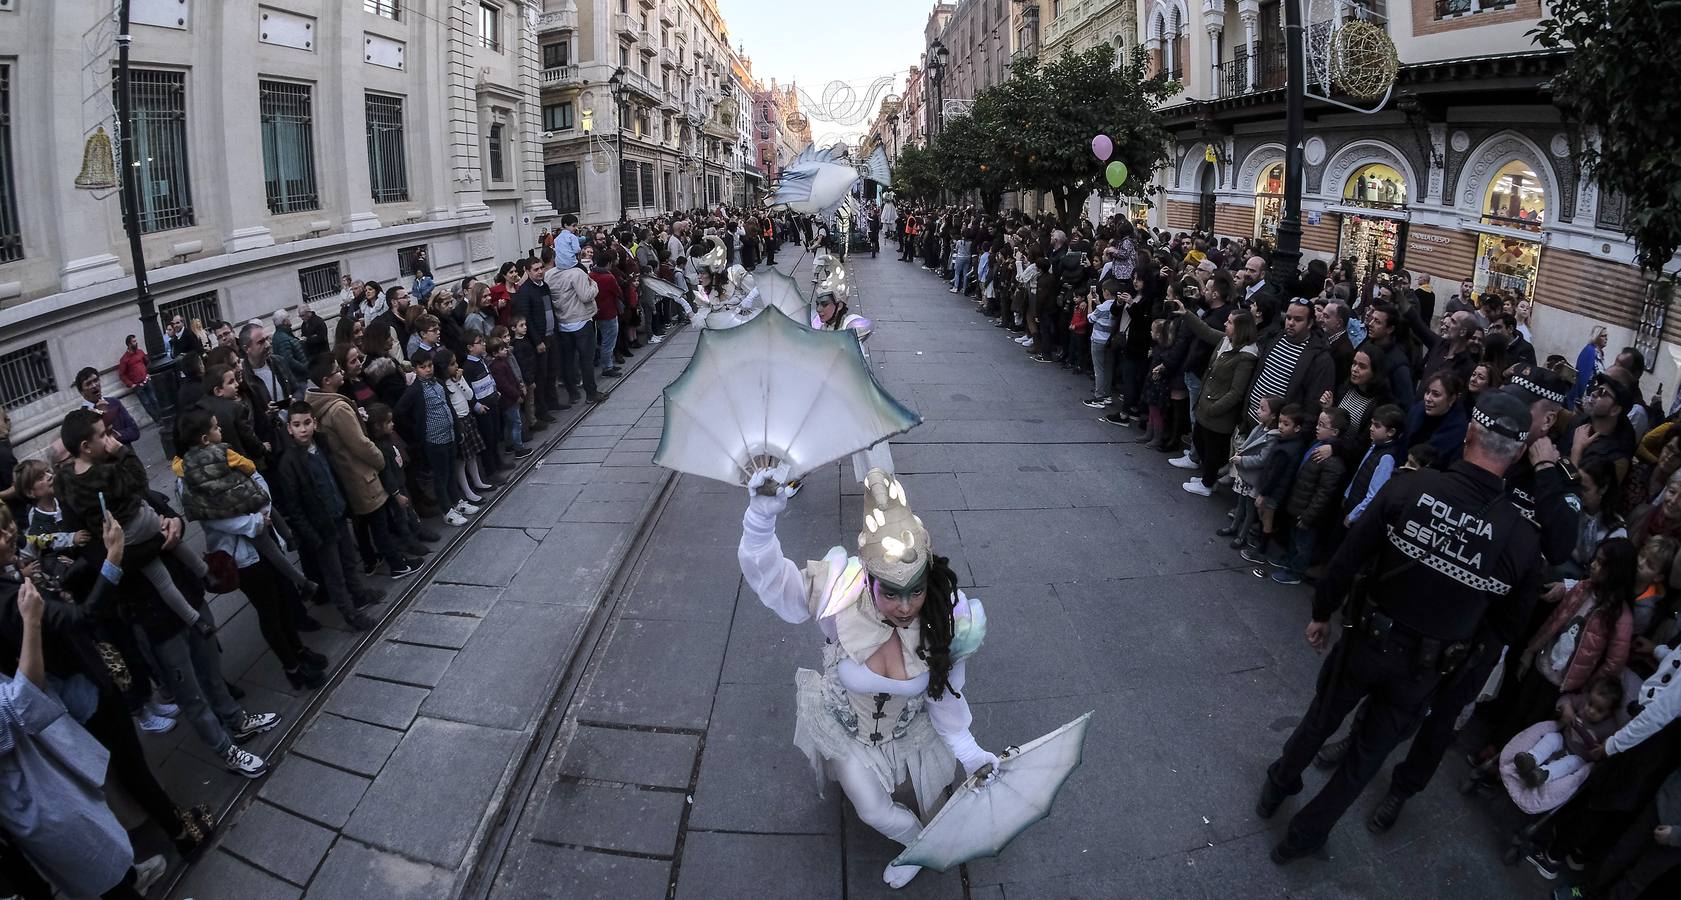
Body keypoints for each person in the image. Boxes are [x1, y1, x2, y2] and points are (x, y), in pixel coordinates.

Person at [1256, 389, 1544, 863]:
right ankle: (1305, 835)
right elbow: (1508, 627)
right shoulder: (1520, 537)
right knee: (1365, 758)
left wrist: (1321, 613)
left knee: (1320, 719)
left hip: (1368, 640)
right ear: (1515, 456)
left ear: (1469, 433)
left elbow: (1349, 558)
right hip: (1425, 669)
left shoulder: (1413, 487)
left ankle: (1278, 786)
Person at [737, 468, 997, 889]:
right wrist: (760, 520)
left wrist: (970, 751)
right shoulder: (840, 594)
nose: (905, 606)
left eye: (915, 589)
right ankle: (916, 841)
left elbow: (943, 694)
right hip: (846, 730)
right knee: (873, 810)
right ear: (869, 580)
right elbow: (774, 583)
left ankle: (923, 840)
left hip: (910, 728)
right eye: (890, 592)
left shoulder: (944, 619)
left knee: (940, 796)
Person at [271, 403, 382, 631]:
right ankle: (349, 613)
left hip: (337, 513)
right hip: (320, 526)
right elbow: (294, 507)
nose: (303, 429)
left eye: (307, 423)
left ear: (315, 423)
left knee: (349, 560)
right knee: (334, 574)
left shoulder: (321, 443)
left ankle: (359, 594)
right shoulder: (288, 462)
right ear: (289, 428)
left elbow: (333, 476)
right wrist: (312, 536)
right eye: (297, 425)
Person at [1513, 677, 1623, 788]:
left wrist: (1601, 750)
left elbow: (1610, 747)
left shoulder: (1610, 728)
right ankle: (1531, 759)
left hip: (1580, 755)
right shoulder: (1582, 700)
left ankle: (1543, 774)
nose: (1591, 711)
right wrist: (1567, 708)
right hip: (1564, 739)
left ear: (1610, 713)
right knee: (1551, 738)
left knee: (1570, 764)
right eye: (1590, 704)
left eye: (1599, 710)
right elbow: (1565, 699)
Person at [75, 368, 140, 447]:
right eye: (88, 384)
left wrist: (118, 436)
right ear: (82, 392)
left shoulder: (114, 402)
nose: (94, 385)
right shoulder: (82, 416)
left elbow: (134, 431)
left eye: (96, 380)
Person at [115, 335, 161, 424]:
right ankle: (157, 420)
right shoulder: (124, 359)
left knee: (154, 399)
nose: (136, 343)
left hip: (146, 380)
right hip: (137, 385)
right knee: (146, 403)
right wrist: (130, 384)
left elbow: (148, 362)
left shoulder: (140, 352)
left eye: (136, 341)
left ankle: (161, 416)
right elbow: (122, 374)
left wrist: (148, 374)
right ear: (129, 344)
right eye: (134, 342)